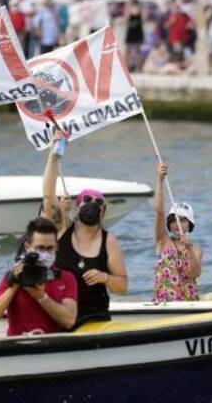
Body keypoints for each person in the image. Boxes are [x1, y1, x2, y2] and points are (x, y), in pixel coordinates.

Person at [45, 132, 128, 324]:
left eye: (99, 202)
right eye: (87, 200)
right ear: (77, 206)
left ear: (103, 212)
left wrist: (105, 278)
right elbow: (48, 197)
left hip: (96, 319)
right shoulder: (62, 228)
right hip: (61, 319)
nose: (93, 204)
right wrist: (53, 156)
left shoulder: (109, 241)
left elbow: (122, 285)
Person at [0, 217, 78, 335]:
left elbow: (69, 321)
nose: (45, 253)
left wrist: (41, 296)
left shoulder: (65, 277)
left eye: (50, 248)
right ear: (28, 247)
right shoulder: (15, 274)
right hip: (19, 343)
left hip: (51, 343)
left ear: (56, 247)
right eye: (40, 248)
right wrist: (15, 283)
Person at [151, 163, 201, 302]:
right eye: (173, 220)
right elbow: (159, 212)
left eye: (182, 220)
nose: (177, 224)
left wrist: (188, 250)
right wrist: (160, 180)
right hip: (163, 303)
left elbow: (194, 274)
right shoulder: (163, 241)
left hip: (188, 302)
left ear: (189, 224)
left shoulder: (195, 249)